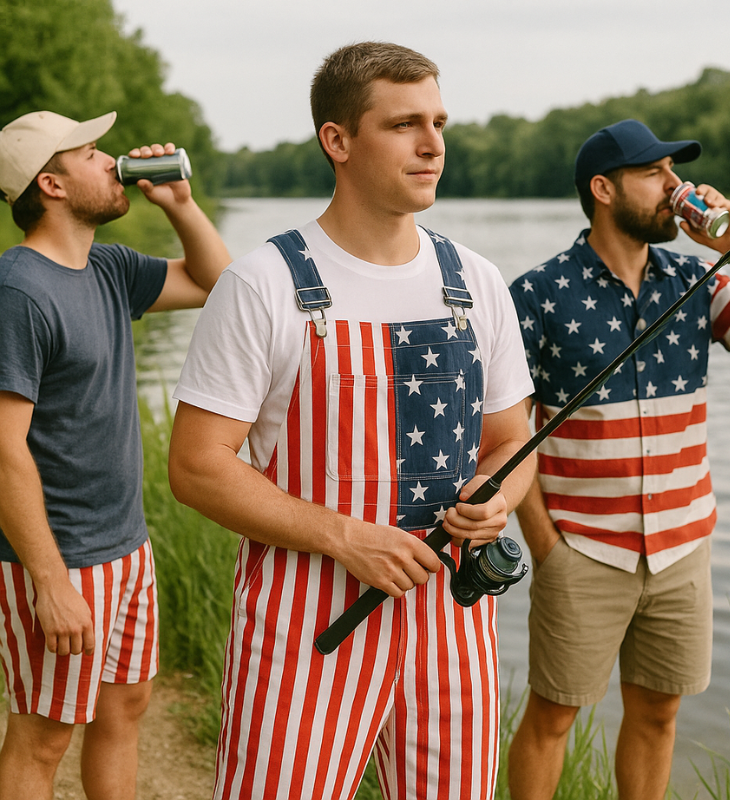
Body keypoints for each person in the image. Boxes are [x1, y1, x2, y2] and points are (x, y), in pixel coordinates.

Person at [168, 42, 535, 800]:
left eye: (438, 122)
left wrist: (498, 496)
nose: (433, 144)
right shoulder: (262, 282)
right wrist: (346, 537)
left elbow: (511, 442)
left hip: (453, 628)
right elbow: (197, 466)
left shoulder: (477, 281)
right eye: (404, 124)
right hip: (308, 629)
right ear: (337, 140)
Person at [506, 118, 730, 800]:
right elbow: (508, 433)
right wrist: (546, 544)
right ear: (603, 189)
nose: (676, 187)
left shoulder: (697, 278)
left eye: (675, 173)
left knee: (659, 712)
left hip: (681, 548)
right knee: (553, 716)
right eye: (655, 174)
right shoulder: (540, 294)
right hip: (582, 549)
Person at [0, 110, 231, 800]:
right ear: (53, 183)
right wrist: (49, 581)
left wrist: (180, 205)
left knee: (125, 709)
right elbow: (5, 448)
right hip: (60, 557)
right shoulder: (18, 292)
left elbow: (215, 283)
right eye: (92, 153)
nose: (112, 162)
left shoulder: (107, 266)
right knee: (42, 736)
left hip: (127, 548)